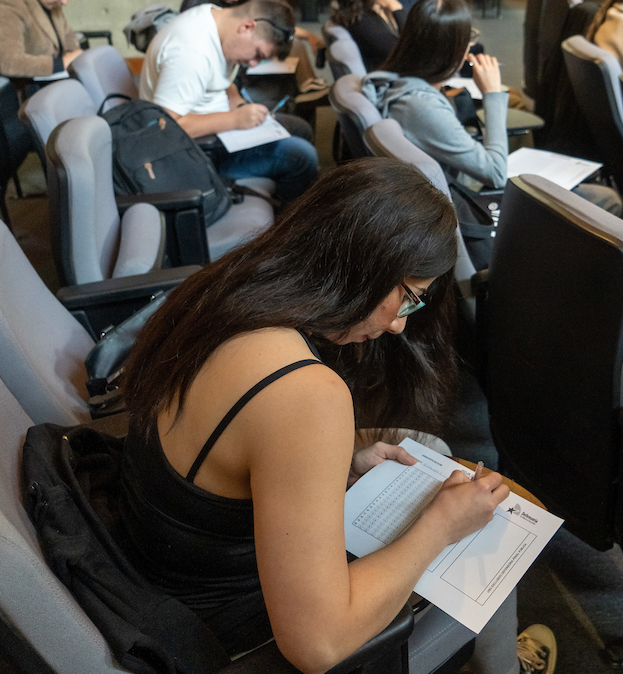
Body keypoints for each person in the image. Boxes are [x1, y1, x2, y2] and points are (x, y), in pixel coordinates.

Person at [117, 158, 557, 674]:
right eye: (408, 298)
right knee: (484, 541)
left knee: (429, 457)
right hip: (226, 637)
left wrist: (336, 461)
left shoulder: (224, 289)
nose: (398, 326)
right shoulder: (305, 392)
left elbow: (234, 445)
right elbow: (318, 646)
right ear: (363, 265)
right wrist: (442, 526)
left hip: (159, 563)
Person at [362, 0, 622, 213]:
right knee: (608, 199)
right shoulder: (422, 106)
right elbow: (496, 174)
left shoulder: (397, 82)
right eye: (469, 39)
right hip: (471, 204)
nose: (471, 48)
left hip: (454, 189)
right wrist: (492, 93)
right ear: (451, 50)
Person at [138, 0, 318, 203]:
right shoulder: (190, 53)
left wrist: (238, 104)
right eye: (257, 54)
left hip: (215, 131)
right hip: (193, 153)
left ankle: (283, 201)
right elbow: (165, 127)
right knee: (302, 158)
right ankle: (286, 228)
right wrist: (234, 120)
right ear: (247, 27)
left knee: (300, 128)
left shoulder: (217, 21)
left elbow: (223, 81)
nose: (252, 64)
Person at [180, 0, 327, 95]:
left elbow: (264, 24)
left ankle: (307, 84)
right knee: (291, 44)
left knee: (288, 40)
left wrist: (308, 35)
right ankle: (306, 84)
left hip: (240, 55)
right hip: (232, 62)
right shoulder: (198, 7)